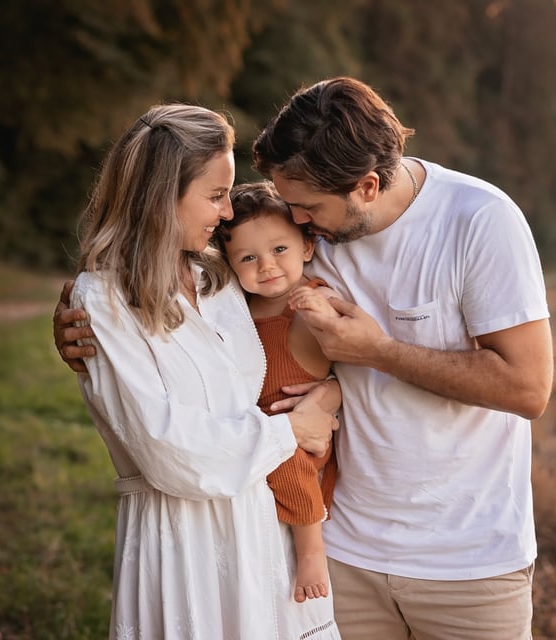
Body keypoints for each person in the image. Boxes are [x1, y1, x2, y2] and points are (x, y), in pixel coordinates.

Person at [56, 77, 554, 640]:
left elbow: (527, 389)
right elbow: (170, 264)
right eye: (287, 204)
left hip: (465, 559)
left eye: (305, 210)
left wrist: (377, 354)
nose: (293, 223)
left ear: (365, 187)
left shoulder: (478, 220)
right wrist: (83, 314)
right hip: (332, 547)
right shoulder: (283, 239)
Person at [65, 103, 342, 639]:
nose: (226, 213)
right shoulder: (102, 299)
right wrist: (290, 430)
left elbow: (279, 345)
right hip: (181, 544)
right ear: (158, 197)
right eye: (215, 196)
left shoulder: (218, 275)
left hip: (266, 529)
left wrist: (328, 392)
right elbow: (167, 450)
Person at [216, 181, 341, 604]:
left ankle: (312, 551)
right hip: (256, 433)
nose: (266, 265)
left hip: (300, 441)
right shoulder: (234, 310)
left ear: (307, 246)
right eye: (248, 258)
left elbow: (349, 360)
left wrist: (331, 392)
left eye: (279, 250)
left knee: (283, 454)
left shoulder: (312, 298)